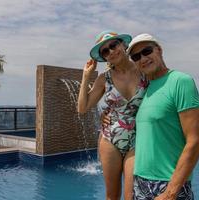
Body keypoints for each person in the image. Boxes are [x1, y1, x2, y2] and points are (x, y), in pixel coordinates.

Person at [127, 33, 199, 199]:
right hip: (140, 183)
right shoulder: (145, 89)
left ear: (159, 50)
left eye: (147, 51)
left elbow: (195, 141)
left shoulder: (180, 81)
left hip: (169, 184)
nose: (143, 58)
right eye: (136, 56)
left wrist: (170, 192)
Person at [77, 30, 148, 200]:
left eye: (113, 45)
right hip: (110, 139)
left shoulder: (144, 71)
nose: (111, 51)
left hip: (139, 138)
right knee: (112, 196)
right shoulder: (104, 78)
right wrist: (86, 76)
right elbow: (82, 108)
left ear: (123, 45)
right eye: (105, 51)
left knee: (131, 196)